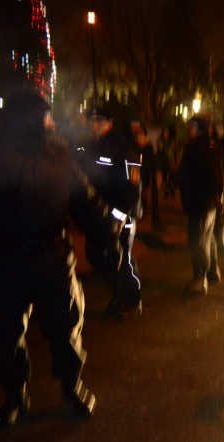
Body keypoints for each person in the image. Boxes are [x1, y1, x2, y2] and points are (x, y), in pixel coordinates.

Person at [0, 87, 122, 427]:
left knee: (65, 327)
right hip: (8, 259)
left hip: (52, 256)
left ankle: (71, 385)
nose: (53, 122)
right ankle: (15, 395)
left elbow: (83, 197)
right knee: (6, 333)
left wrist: (107, 230)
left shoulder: (58, 155)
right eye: (46, 116)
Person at [79, 107, 143, 318]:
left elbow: (132, 187)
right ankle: (119, 293)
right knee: (98, 255)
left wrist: (120, 214)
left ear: (110, 123)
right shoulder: (90, 147)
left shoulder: (123, 147)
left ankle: (129, 299)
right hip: (99, 213)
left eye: (100, 120)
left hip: (120, 213)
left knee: (122, 257)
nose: (95, 124)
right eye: (92, 120)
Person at [177, 115, 224, 295]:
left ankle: (200, 277)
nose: (188, 129)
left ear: (198, 128)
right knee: (208, 237)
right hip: (208, 201)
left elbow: (189, 174)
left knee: (198, 240)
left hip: (199, 201)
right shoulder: (213, 145)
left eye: (191, 126)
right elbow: (219, 173)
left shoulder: (196, 147)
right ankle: (213, 271)